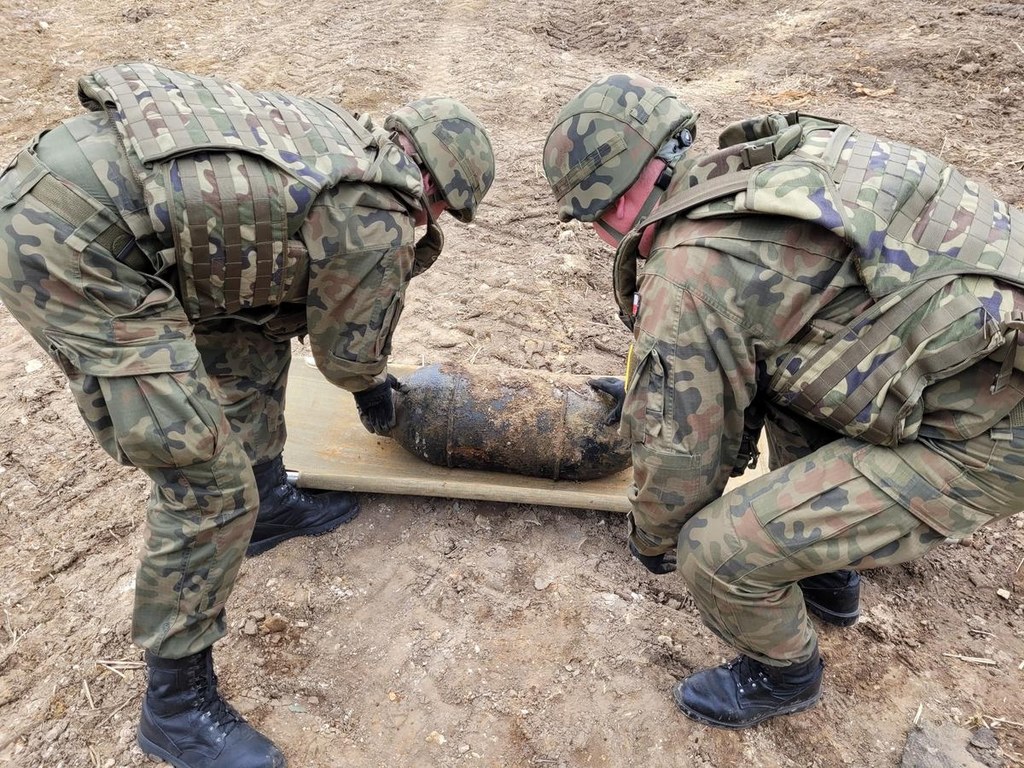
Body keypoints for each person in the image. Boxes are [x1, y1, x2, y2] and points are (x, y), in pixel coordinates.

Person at [0, 61, 494, 767]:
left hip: (66, 185)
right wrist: (374, 392)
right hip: (74, 251)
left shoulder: (345, 139)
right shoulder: (376, 213)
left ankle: (269, 505)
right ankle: (175, 707)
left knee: (252, 329)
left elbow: (258, 265)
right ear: (440, 197)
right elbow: (347, 358)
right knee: (203, 481)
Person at [543, 73, 1024, 729]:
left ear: (616, 204)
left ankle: (783, 673)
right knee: (780, 379)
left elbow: (680, 460)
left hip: (990, 434)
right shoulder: (779, 159)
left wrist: (653, 539)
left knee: (712, 552)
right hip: (977, 365)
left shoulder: (688, 269)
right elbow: (760, 354)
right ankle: (828, 574)